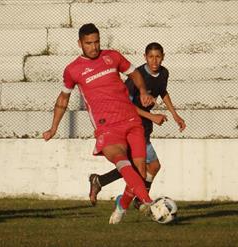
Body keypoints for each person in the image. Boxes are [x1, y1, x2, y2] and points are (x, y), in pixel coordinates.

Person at [43, 23, 156, 224]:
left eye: (96, 42)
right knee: (122, 161)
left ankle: (122, 205)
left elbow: (134, 73)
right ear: (80, 43)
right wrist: (53, 128)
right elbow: (63, 99)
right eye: (88, 43)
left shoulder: (112, 56)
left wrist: (143, 91)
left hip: (131, 120)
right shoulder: (73, 70)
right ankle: (149, 203)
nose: (94, 47)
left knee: (139, 171)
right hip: (107, 127)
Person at [89, 42, 186, 208]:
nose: (154, 61)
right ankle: (138, 200)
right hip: (131, 126)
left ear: (163, 57)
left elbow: (163, 92)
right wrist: (152, 116)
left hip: (145, 125)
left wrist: (175, 115)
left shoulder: (164, 73)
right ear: (145, 58)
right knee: (140, 167)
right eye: (151, 57)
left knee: (149, 167)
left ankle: (102, 182)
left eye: (158, 57)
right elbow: (125, 104)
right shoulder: (137, 77)